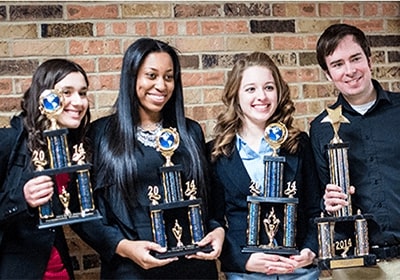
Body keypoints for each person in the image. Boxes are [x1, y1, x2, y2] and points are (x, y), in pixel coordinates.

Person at [74, 38, 224, 279]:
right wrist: (122, 246)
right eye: (151, 75)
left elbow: (211, 198)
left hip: (193, 268)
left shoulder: (191, 132)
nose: (161, 86)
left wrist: (217, 230)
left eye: (168, 77)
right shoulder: (101, 135)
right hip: (130, 270)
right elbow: (82, 211)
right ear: (131, 77)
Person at [209, 52, 321, 279]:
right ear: (235, 95)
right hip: (246, 274)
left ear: (279, 92)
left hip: (299, 272)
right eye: (250, 89)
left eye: (269, 87)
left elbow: (314, 208)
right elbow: (214, 220)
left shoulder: (299, 144)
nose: (261, 96)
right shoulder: (217, 152)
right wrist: (244, 260)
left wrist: (310, 250)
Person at [310, 23, 400, 279]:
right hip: (353, 265)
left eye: (355, 58)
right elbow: (317, 199)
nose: (349, 71)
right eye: (337, 64)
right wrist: (326, 203)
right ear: (328, 74)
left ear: (369, 60)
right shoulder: (320, 129)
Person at [0, 59, 91, 279]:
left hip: (58, 270)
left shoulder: (72, 146)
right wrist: (22, 199)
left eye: (83, 93)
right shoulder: (8, 141)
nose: (77, 102)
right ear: (44, 96)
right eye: (66, 92)